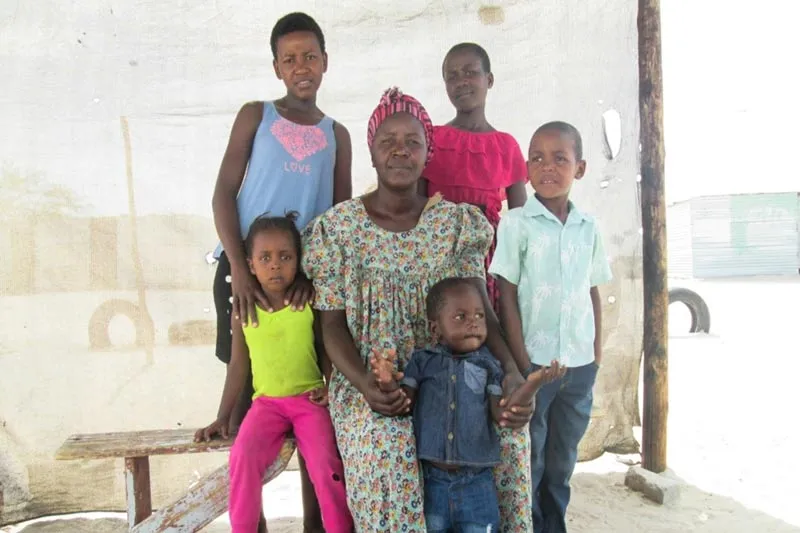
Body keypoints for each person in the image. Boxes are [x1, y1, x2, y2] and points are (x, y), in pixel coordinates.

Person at [303, 87, 537, 533]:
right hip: (376, 383)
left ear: (427, 154)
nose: (400, 151)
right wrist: (364, 385)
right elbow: (330, 324)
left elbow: (482, 312)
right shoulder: (338, 230)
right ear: (371, 152)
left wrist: (508, 371)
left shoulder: (455, 225)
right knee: (386, 445)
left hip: (457, 376)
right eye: (387, 141)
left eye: (412, 141)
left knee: (509, 432)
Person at [209, 11, 352, 531]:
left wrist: (319, 278)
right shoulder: (256, 116)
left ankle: (318, 523)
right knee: (253, 398)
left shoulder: (338, 134)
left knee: (315, 407)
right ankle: (256, 523)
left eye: (310, 56)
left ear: (325, 62)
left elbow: (339, 218)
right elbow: (223, 193)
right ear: (276, 67)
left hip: (306, 285)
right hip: (248, 274)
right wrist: (238, 271)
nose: (301, 67)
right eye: (289, 59)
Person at [489, 121, 614, 533]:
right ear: (526, 168)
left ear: (579, 168)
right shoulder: (517, 223)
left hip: (579, 366)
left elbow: (592, 290)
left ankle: (553, 526)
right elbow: (505, 291)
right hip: (536, 366)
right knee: (533, 458)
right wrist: (522, 361)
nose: (548, 167)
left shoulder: (588, 227)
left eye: (560, 158)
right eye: (538, 158)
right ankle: (527, 525)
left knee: (562, 461)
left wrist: (595, 352)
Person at [196, 214, 354, 533]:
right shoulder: (244, 310)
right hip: (266, 405)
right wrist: (222, 416)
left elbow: (325, 349)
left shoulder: (308, 301)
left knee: (326, 466)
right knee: (242, 459)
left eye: (285, 257)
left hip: (309, 401)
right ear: (250, 265)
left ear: (298, 261)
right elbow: (238, 366)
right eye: (265, 258)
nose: (275, 265)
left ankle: (340, 528)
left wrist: (332, 386)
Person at [370, 277, 564, 532]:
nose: (473, 322)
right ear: (435, 329)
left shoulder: (489, 365)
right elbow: (404, 404)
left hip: (477, 485)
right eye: (460, 317)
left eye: (480, 315)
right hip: (432, 483)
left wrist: (532, 385)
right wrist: (386, 382)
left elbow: (502, 412)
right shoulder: (422, 361)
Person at [419, 42, 529, 315]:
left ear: (489, 80)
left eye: (470, 72)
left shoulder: (506, 146)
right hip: (437, 250)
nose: (461, 82)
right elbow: (416, 203)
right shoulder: (430, 138)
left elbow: (520, 221)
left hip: (487, 255)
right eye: (452, 76)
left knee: (481, 323)